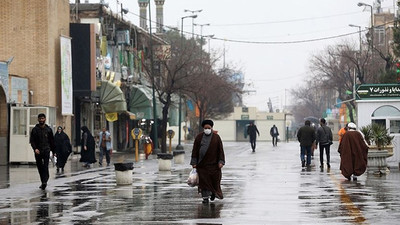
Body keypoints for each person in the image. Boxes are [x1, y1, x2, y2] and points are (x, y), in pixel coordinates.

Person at [190, 119, 225, 204]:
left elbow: (220, 150)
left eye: (208, 128)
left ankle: (213, 193)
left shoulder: (216, 138)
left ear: (211, 128)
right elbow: (195, 151)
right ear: (203, 128)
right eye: (205, 128)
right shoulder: (199, 137)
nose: (207, 129)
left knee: (214, 181)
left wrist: (221, 161)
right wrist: (194, 162)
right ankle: (205, 197)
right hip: (202, 165)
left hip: (214, 165)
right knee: (204, 182)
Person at [30, 113, 55, 190]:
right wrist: (35, 149)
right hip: (38, 151)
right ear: (38, 119)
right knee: (40, 166)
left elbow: (52, 141)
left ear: (45, 119)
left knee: (45, 166)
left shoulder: (48, 130)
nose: (41, 120)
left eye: (42, 118)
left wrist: (54, 151)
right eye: (40, 119)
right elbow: (32, 141)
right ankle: (43, 181)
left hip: (46, 150)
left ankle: (45, 181)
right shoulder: (35, 130)